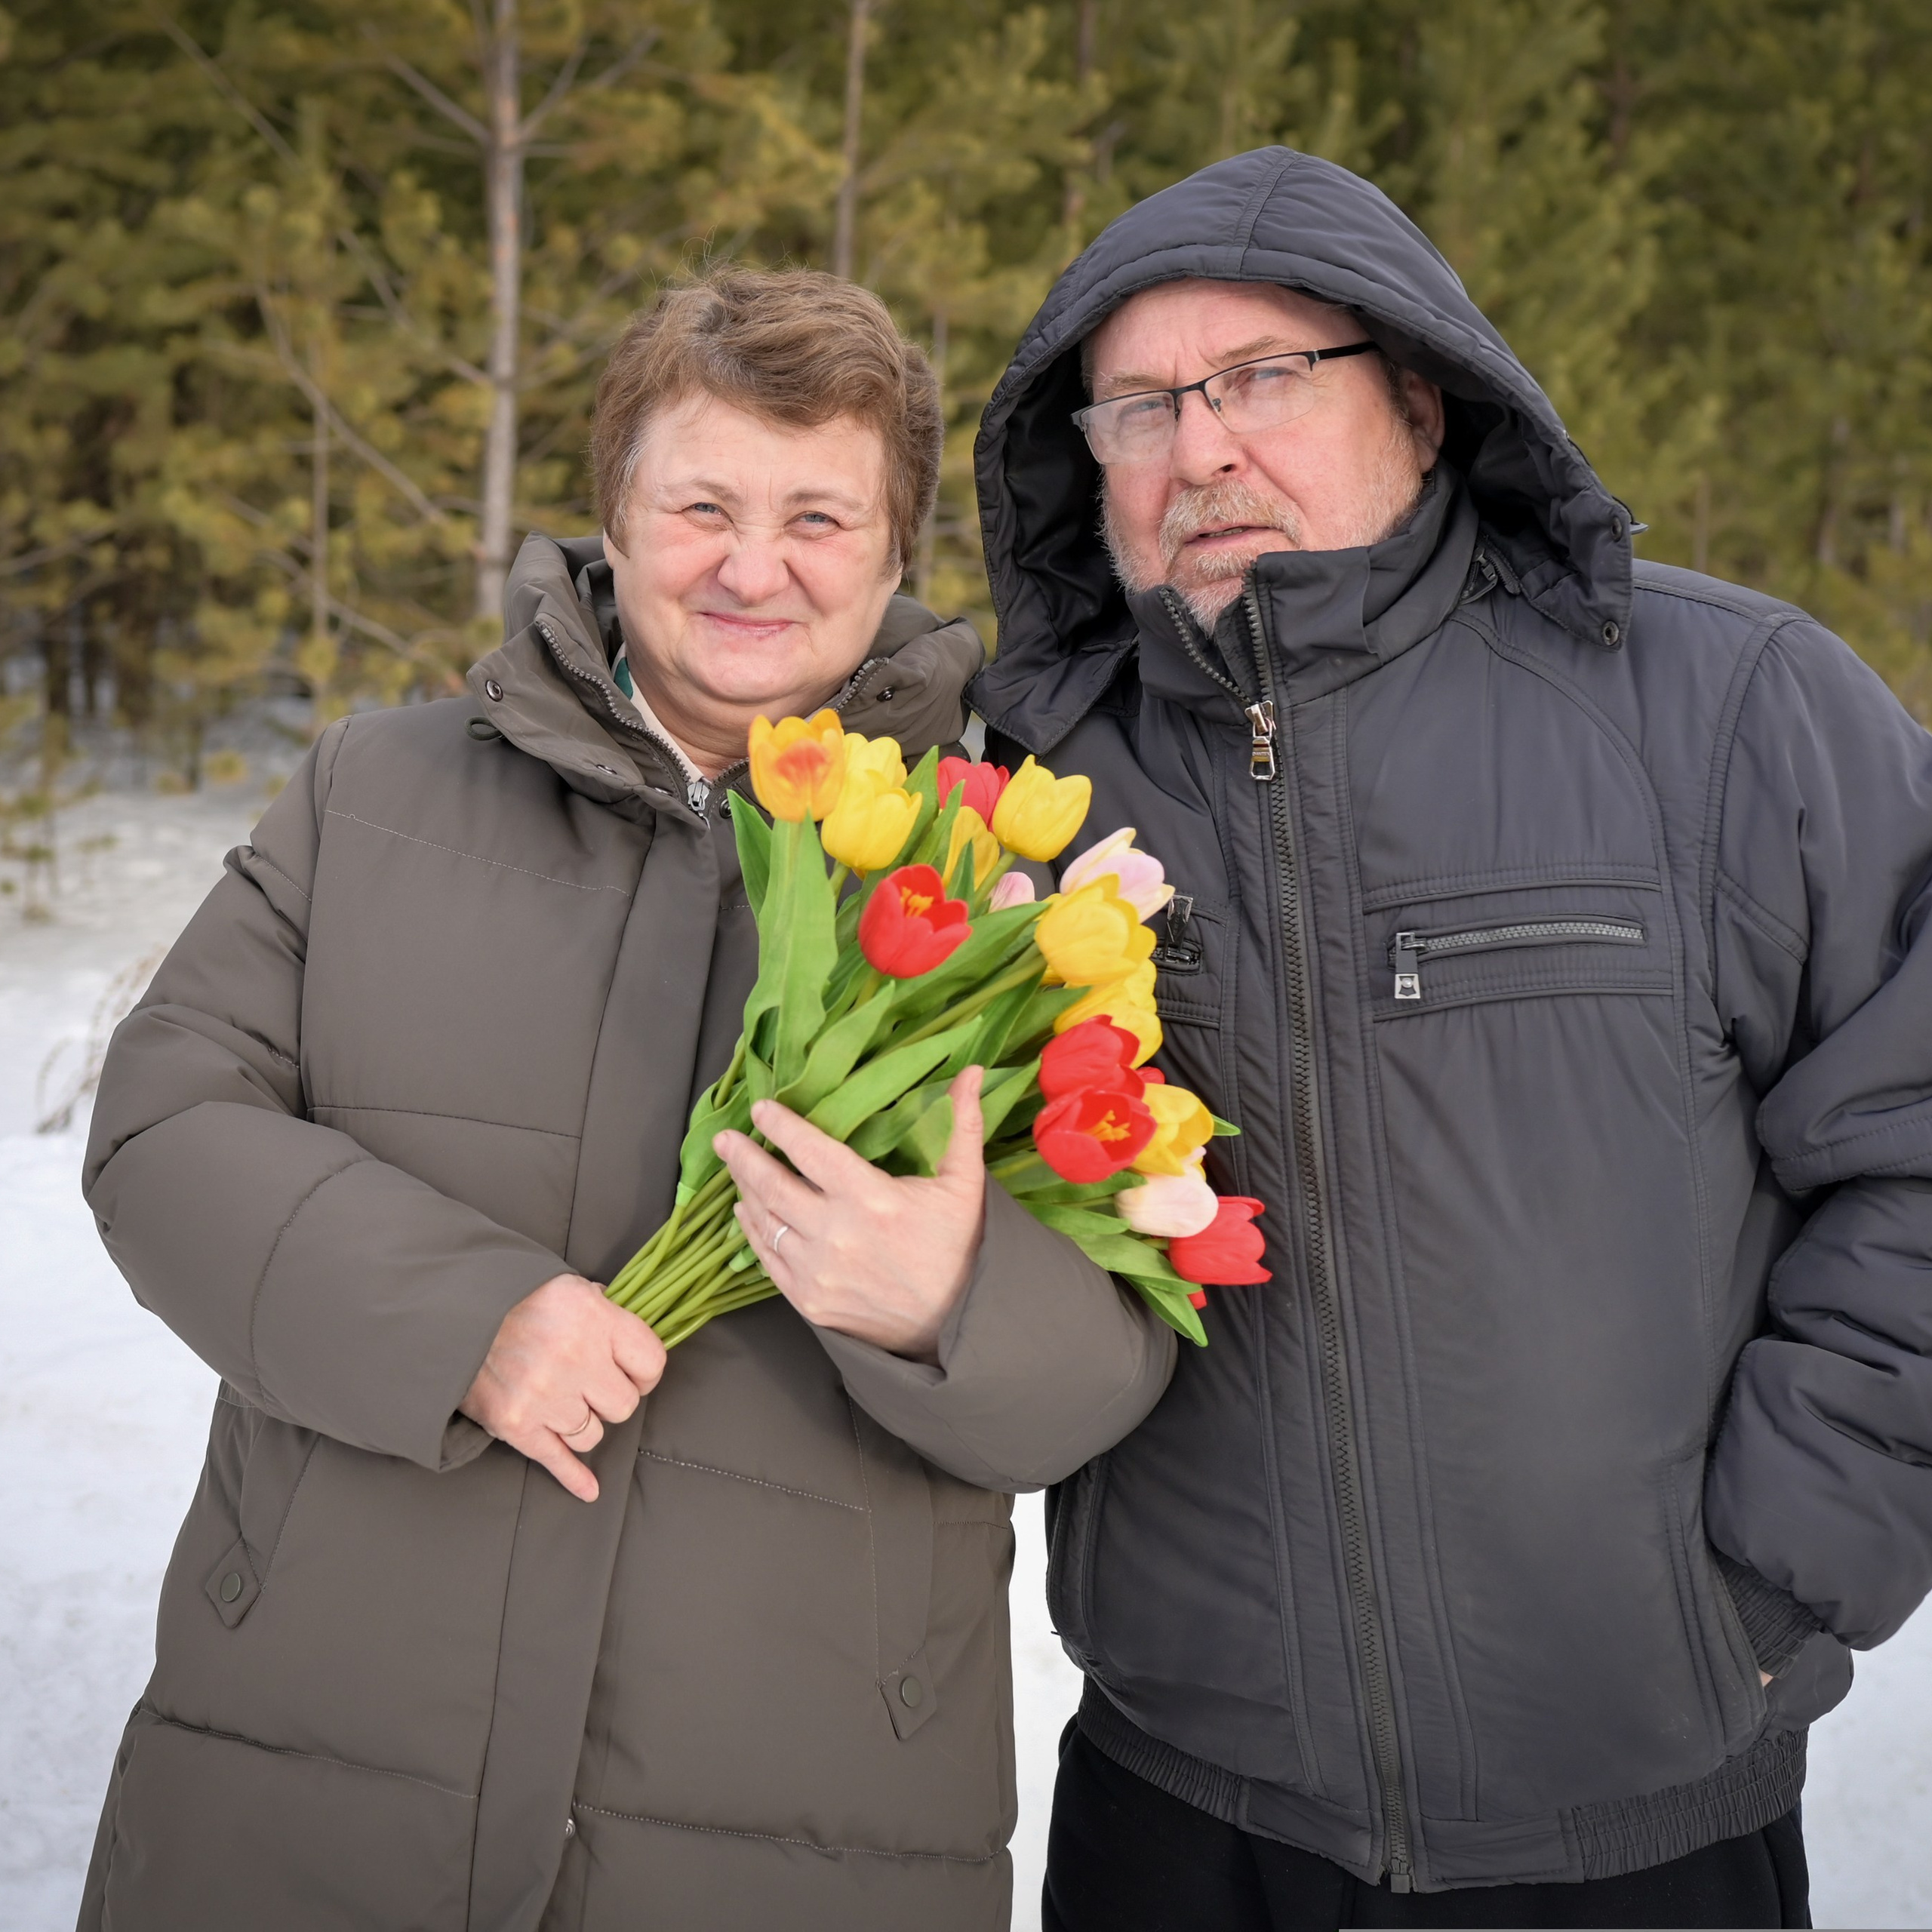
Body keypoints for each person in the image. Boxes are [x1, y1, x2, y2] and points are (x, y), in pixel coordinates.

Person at [75, 266, 1174, 1931]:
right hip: (312, 1769)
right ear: (614, 511)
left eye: (818, 513)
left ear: (894, 550)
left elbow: (1108, 1354)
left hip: (795, 1825)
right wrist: (463, 1317)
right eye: (702, 503)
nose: (752, 564)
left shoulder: (1011, 868)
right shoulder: (376, 793)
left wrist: (949, 1296)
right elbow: (163, 1126)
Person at [970, 146, 1932, 1930]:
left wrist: (1778, 1568)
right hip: (1180, 1800)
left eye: (1262, 378)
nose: (1198, 451)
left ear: (1417, 392)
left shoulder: (1727, 706)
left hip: (1637, 1814)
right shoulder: (1025, 786)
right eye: (1133, 410)